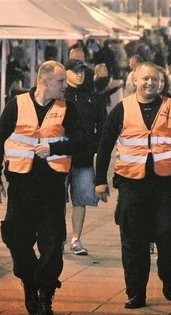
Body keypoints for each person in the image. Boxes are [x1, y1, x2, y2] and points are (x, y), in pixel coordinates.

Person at [0, 61, 87, 315]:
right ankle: (30, 282)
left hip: (52, 188)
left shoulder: (68, 108)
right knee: (17, 240)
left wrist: (54, 149)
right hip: (21, 187)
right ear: (44, 81)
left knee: (52, 245)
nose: (66, 85)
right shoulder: (17, 104)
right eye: (61, 81)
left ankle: (45, 296)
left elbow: (83, 141)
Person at [94, 62, 171, 309]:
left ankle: (168, 276)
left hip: (164, 186)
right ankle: (136, 292)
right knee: (132, 242)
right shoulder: (121, 109)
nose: (150, 83)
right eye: (145, 79)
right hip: (131, 187)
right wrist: (99, 181)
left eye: (154, 79)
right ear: (135, 80)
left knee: (170, 234)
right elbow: (105, 145)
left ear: (161, 82)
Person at [64, 59, 107, 255]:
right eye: (75, 71)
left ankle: (76, 239)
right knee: (57, 199)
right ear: (66, 73)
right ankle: (58, 237)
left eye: (81, 71)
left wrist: (95, 146)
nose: (79, 74)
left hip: (84, 157)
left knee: (80, 199)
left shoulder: (93, 97)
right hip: (61, 156)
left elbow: (103, 125)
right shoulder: (60, 95)